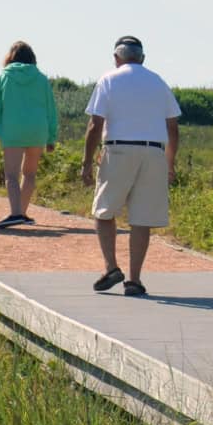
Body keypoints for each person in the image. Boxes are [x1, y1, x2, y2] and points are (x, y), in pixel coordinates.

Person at [81, 36, 182, 297]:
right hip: (153, 152)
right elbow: (172, 126)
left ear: (117, 58)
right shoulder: (158, 82)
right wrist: (169, 164)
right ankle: (135, 279)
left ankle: (111, 267)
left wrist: (87, 162)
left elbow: (95, 124)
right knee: (142, 218)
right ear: (142, 58)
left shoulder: (109, 80)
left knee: (104, 211)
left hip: (118, 149)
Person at [0, 41, 59, 229]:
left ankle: (16, 213)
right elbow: (51, 109)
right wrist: (51, 136)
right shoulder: (41, 79)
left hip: (13, 130)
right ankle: (23, 213)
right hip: (37, 131)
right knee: (30, 174)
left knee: (11, 175)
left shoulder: (4, 76)